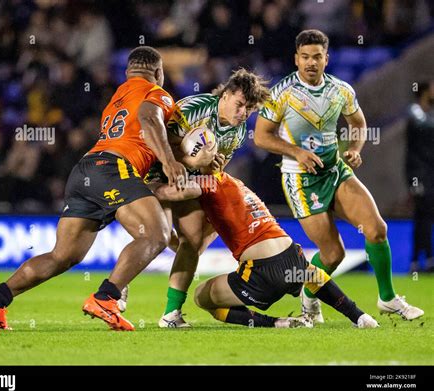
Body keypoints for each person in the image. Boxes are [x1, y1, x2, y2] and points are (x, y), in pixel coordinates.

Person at [0, 46, 187, 331]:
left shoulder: (118, 97)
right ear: (158, 73)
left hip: (86, 169)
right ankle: (107, 297)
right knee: (157, 234)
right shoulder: (156, 93)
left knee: (63, 255)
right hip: (113, 168)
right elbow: (149, 119)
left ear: (127, 72)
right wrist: (171, 162)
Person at [254, 29, 423, 322]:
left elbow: (358, 123)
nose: (311, 62)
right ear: (296, 59)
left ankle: (388, 298)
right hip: (300, 180)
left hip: (335, 170)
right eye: (305, 57)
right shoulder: (281, 94)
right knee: (333, 254)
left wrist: (356, 148)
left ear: (326, 59)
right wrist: (297, 153)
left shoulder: (341, 89)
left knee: (377, 230)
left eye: (317, 56)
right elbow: (261, 137)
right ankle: (309, 294)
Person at [150, 171, 379, 329]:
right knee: (309, 274)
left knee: (202, 297)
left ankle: (275, 323)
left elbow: (171, 193)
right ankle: (360, 317)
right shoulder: (235, 183)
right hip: (289, 252)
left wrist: (147, 184)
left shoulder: (206, 182)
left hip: (261, 272)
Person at [145, 68, 270, 327]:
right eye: (240, 105)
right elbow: (155, 142)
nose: (243, 113)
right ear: (226, 95)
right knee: (157, 236)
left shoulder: (237, 133)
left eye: (249, 110)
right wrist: (192, 159)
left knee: (191, 242)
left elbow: (208, 172)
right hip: (151, 175)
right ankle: (117, 286)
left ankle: (171, 314)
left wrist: (209, 167)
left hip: (184, 183)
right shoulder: (195, 107)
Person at [405, 80, 434, 273]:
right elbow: (425, 126)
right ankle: (418, 260)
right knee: (421, 215)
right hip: (419, 174)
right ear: (424, 91)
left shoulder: (428, 114)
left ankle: (427, 258)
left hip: (429, 174)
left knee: (427, 216)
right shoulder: (415, 112)